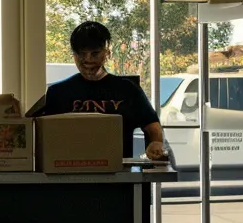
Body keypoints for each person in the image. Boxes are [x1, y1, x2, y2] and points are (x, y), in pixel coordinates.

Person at [27, 21, 166, 160]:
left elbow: (152, 125)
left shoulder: (128, 89)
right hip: (69, 173)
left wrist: (156, 143)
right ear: (73, 54)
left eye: (95, 54)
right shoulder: (57, 92)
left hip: (118, 176)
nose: (88, 60)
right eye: (81, 54)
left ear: (107, 53)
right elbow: (45, 136)